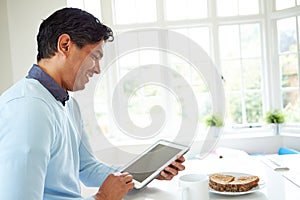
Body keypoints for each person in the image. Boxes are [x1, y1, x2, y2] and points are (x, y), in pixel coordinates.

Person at [0, 7, 185, 200]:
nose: (97, 69)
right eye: (94, 57)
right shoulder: (28, 109)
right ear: (65, 45)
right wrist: (102, 197)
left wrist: (144, 173)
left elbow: (86, 167)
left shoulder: (68, 103)